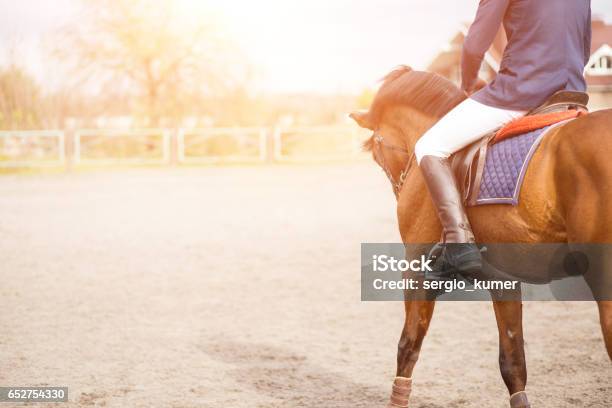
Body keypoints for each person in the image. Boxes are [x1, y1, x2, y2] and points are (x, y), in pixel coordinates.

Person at [414, 0, 592, 276]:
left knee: (429, 145)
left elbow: (474, 45)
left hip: (522, 90)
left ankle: (458, 245)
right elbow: (584, 44)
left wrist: (468, 84)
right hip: (572, 94)